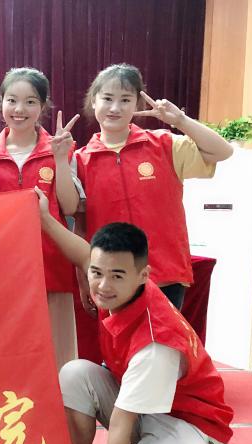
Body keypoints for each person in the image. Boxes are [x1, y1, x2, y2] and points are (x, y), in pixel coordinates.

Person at [35, 189, 233, 444]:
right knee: (74, 374)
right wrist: (45, 219)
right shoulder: (122, 286)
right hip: (150, 405)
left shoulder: (155, 343)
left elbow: (122, 422)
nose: (103, 285)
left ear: (143, 275)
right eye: (97, 273)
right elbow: (84, 254)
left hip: (191, 426)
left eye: (116, 276)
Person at [75, 64, 233, 310]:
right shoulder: (80, 161)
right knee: (119, 338)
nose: (115, 108)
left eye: (125, 100)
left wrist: (180, 120)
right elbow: (81, 227)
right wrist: (82, 277)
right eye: (107, 98)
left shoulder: (164, 145)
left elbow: (223, 151)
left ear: (137, 104)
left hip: (165, 275)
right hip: (109, 280)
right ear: (93, 101)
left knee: (162, 337)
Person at [0, 68, 80, 369]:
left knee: (57, 360)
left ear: (43, 106)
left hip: (51, 266)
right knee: (9, 358)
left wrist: (59, 159)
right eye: (12, 100)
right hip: (3, 273)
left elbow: (69, 206)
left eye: (30, 101)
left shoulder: (61, 149)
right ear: (1, 103)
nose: (20, 109)